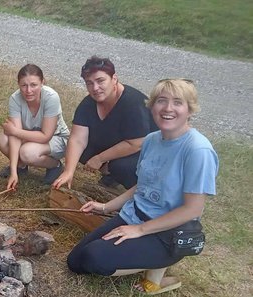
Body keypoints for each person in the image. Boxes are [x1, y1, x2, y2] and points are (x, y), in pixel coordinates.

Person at [66, 79, 218, 295]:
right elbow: (142, 186)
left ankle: (157, 268)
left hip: (167, 233)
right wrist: (105, 207)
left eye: (177, 102)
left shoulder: (197, 150)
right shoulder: (152, 140)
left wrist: (140, 230)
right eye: (161, 101)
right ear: (152, 107)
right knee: (76, 261)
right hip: (133, 216)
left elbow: (192, 209)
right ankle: (141, 254)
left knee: (94, 258)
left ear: (190, 110)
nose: (167, 108)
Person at [52, 56, 157, 190]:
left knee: (120, 166)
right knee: (83, 151)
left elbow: (137, 143)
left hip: (148, 153)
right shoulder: (88, 103)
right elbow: (77, 139)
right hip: (121, 143)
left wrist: (100, 158)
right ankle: (113, 176)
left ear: (114, 79)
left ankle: (138, 189)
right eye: (89, 83)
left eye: (100, 81)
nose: (95, 88)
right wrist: (68, 171)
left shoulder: (132, 102)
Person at [0, 64, 70, 188]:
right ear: (18, 84)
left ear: (42, 83)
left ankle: (55, 166)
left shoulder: (51, 97)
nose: (28, 90)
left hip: (57, 138)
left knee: (27, 152)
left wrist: (14, 131)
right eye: (24, 85)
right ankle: (20, 167)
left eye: (33, 85)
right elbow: (14, 135)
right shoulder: (15, 98)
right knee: (3, 139)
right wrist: (13, 171)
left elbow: (45, 136)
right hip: (31, 136)